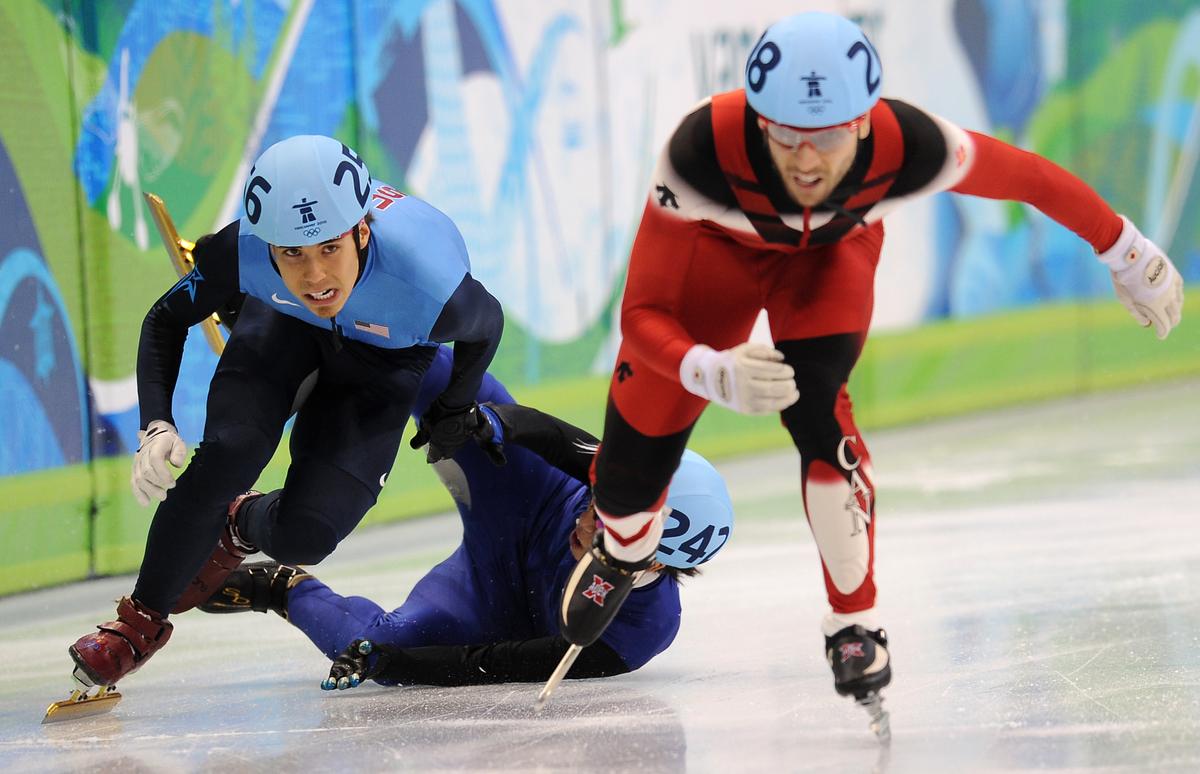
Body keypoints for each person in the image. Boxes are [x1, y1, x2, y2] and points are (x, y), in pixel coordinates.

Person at [557, 10, 1185, 732]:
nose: (805, 163)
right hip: (716, 264)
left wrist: (1126, 249)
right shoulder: (700, 152)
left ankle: (854, 624)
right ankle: (622, 547)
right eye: (784, 135)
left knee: (821, 416)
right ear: (758, 122)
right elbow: (642, 317)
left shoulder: (909, 143)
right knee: (630, 486)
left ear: (864, 124)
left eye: (826, 137)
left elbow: (1030, 179)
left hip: (827, 265)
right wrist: (705, 369)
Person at [67, 135, 504, 693]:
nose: (315, 276)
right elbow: (164, 320)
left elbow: (486, 325)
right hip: (285, 326)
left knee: (305, 538)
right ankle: (136, 628)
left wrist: (455, 404)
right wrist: (156, 422)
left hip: (384, 359)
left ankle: (240, 523)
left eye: (328, 248)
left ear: (361, 231)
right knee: (229, 453)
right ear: (267, 244)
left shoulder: (429, 282)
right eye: (291, 253)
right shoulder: (242, 250)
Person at [196, 346, 734, 687]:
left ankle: (280, 589)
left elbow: (496, 662)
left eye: (610, 527)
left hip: (497, 602)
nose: (589, 518)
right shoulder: (628, 480)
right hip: (530, 499)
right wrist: (489, 425)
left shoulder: (640, 633)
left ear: (653, 561)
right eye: (602, 499)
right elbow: (546, 434)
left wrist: (394, 665)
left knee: (383, 644)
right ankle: (318, 336)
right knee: (447, 380)